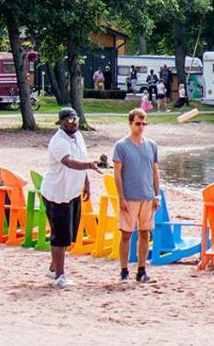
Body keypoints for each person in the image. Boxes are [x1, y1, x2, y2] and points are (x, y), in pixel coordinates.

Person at [43, 107, 103, 288]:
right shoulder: (58, 141)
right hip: (57, 193)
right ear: (61, 122)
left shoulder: (78, 137)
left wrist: (86, 184)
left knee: (70, 236)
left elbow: (81, 158)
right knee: (59, 236)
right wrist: (89, 165)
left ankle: (54, 267)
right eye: (69, 120)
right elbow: (68, 161)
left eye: (75, 119)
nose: (73, 123)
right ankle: (60, 276)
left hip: (72, 192)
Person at [113, 108, 160, 283]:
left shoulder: (151, 146)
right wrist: (121, 197)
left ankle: (141, 270)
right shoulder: (121, 146)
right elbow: (117, 174)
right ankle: (124, 271)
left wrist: (157, 196)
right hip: (130, 197)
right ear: (130, 124)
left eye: (143, 124)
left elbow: (155, 172)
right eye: (138, 123)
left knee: (145, 234)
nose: (141, 127)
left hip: (147, 197)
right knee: (126, 234)